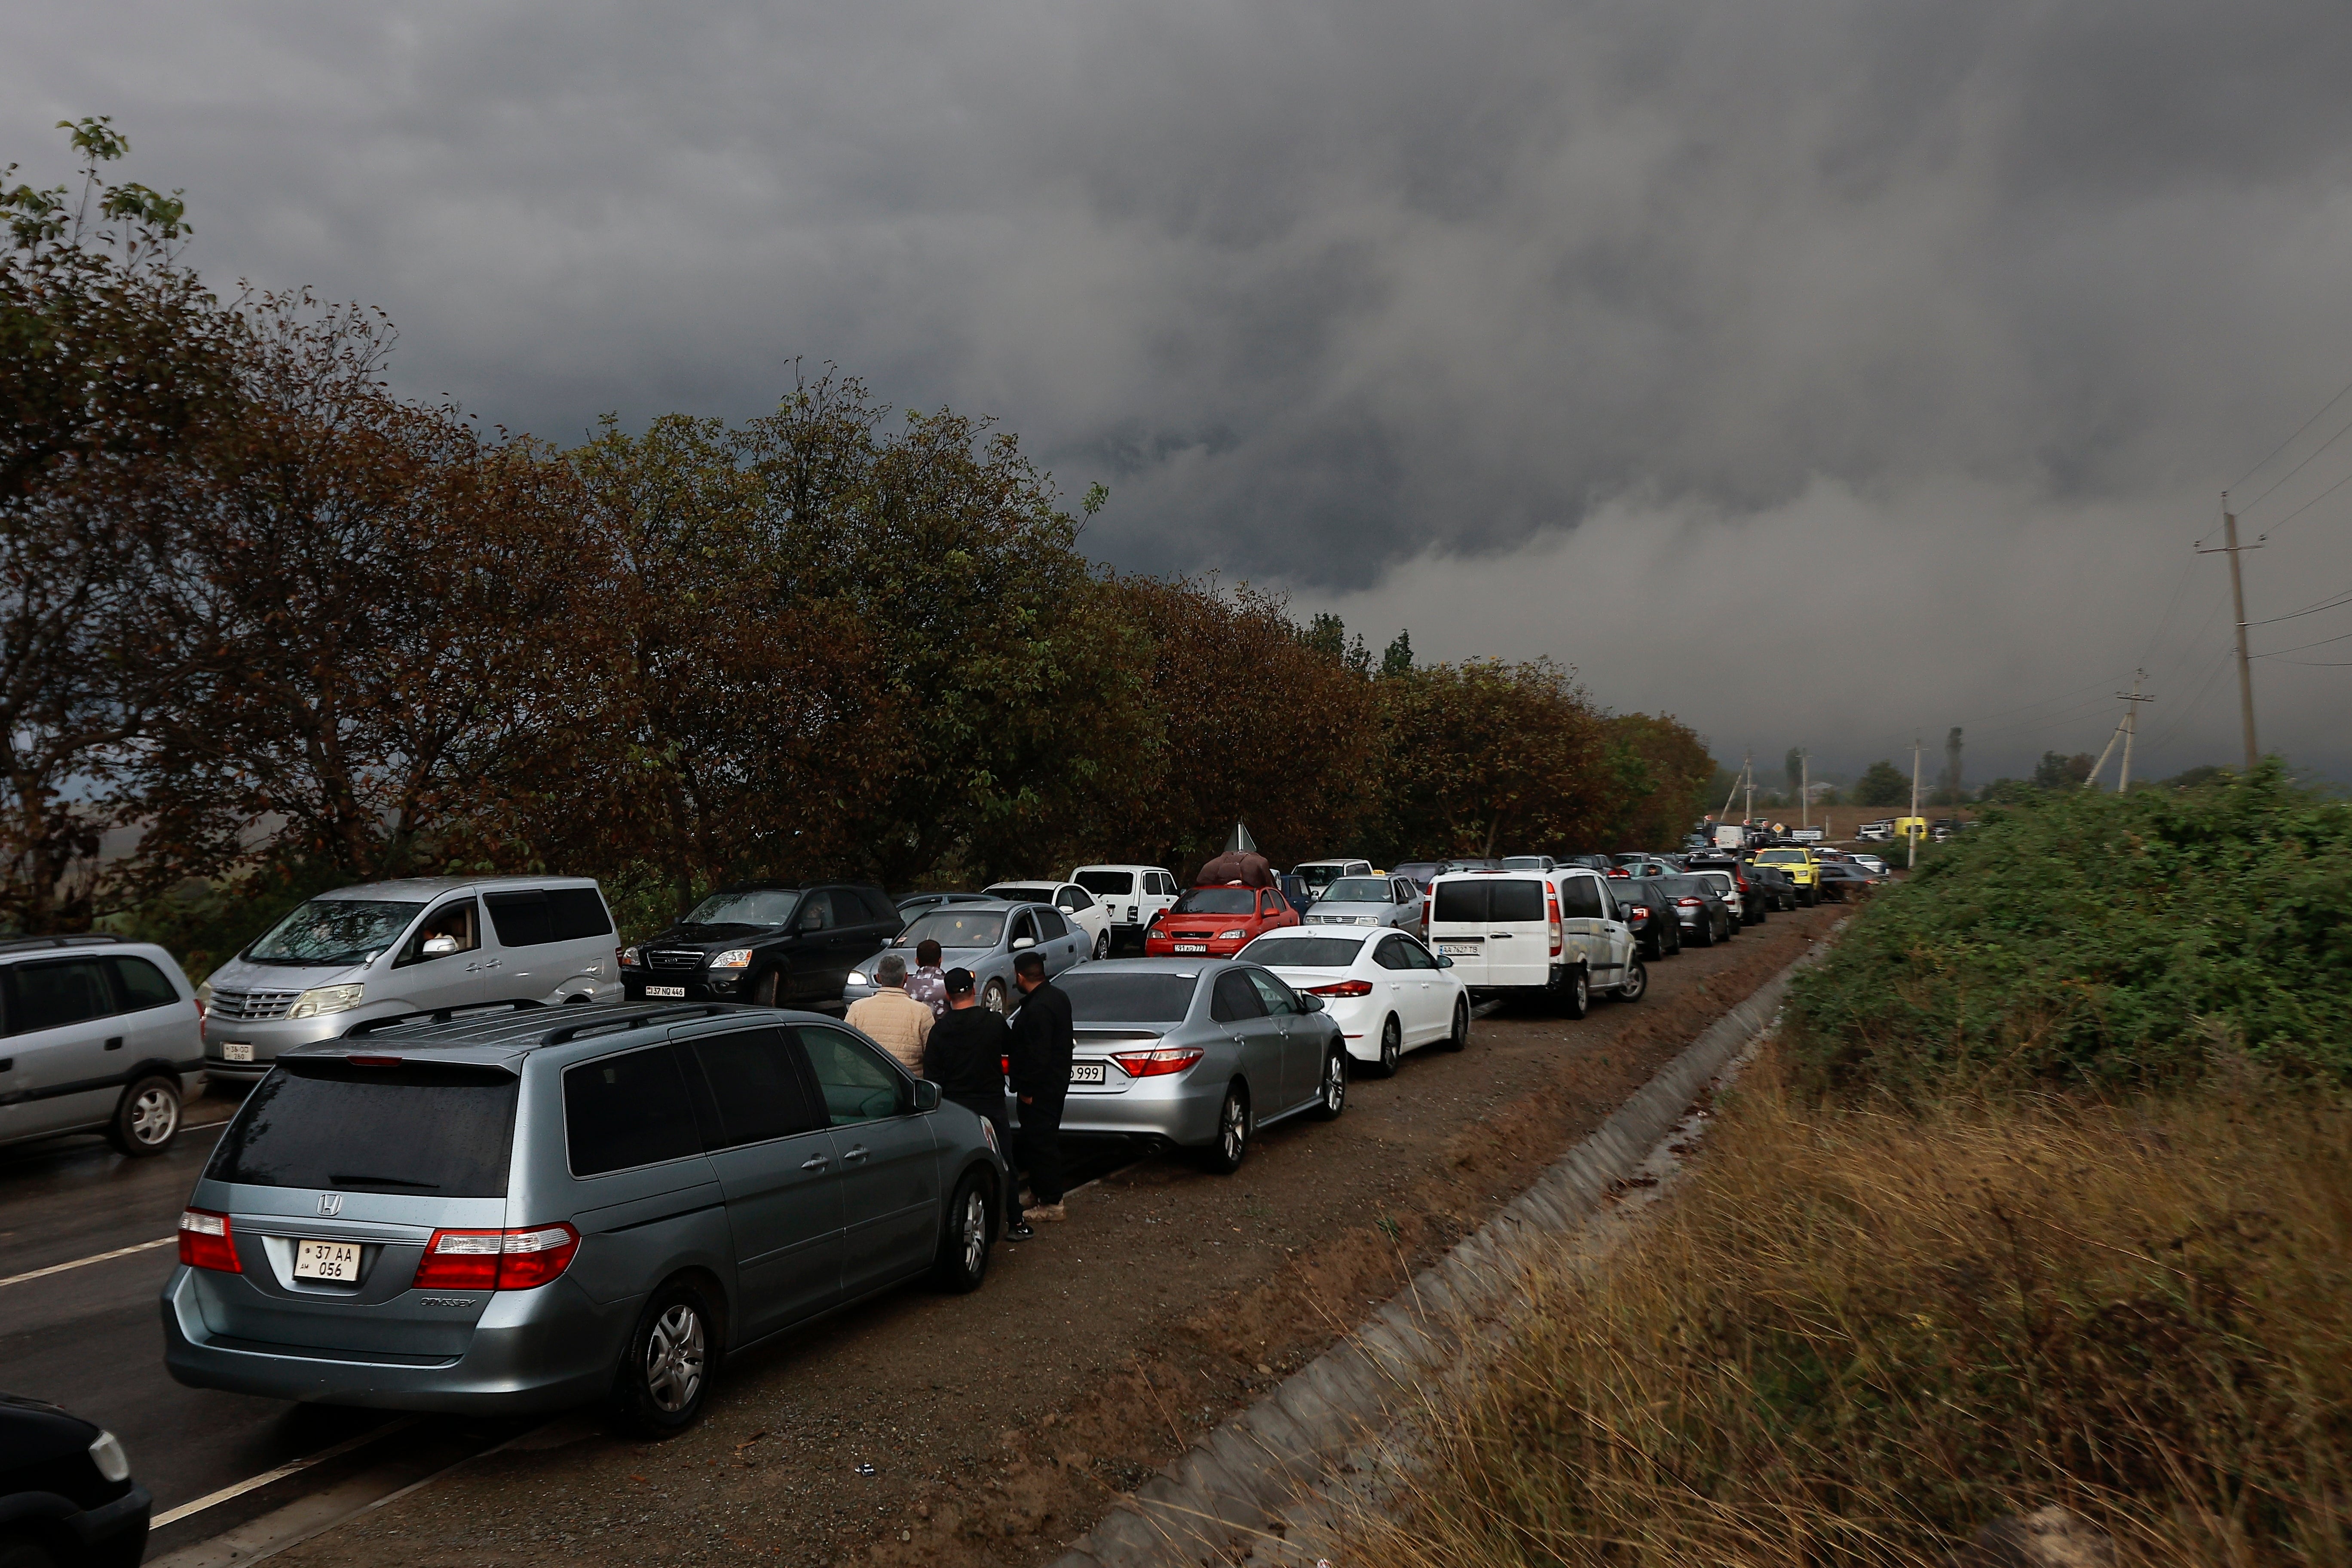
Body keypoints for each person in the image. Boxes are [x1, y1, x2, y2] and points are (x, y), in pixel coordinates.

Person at [923, 967, 1026, 1238]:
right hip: (991, 1103)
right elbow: (1014, 1050)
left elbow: (933, 1076)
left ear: (947, 995)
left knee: (961, 1166)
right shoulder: (992, 1022)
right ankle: (1015, 1221)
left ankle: (961, 1223)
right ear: (974, 989)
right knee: (1005, 1161)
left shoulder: (940, 1030)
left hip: (957, 1107)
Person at [1006, 950, 1073, 1222]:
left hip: (1041, 1090)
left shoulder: (1037, 1009)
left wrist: (1028, 1089)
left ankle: (1052, 1203)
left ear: (1020, 976)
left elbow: (1038, 1054)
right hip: (1055, 1084)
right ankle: (1039, 1191)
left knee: (1041, 1145)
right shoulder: (1057, 997)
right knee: (1039, 1142)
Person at [844, 953, 931, 1075]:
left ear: (878, 978)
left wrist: (860, 1078)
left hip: (870, 1084)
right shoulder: (922, 1012)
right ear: (906, 978)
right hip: (910, 1085)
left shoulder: (857, 1008)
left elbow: (844, 1054)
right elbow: (933, 1056)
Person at [906, 939, 947, 1020]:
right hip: (941, 1031)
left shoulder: (904, 985)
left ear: (917, 961)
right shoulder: (948, 984)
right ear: (940, 960)